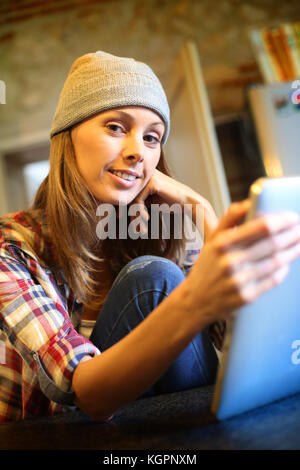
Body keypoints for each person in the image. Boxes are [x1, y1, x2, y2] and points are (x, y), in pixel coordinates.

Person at [1, 51, 300, 424]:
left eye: (151, 137)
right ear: (68, 136)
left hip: (156, 425)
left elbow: (243, 346)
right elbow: (83, 393)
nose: (136, 152)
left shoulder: (164, 232)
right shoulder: (11, 245)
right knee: (151, 280)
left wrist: (201, 210)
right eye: (115, 127)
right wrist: (193, 301)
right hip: (56, 433)